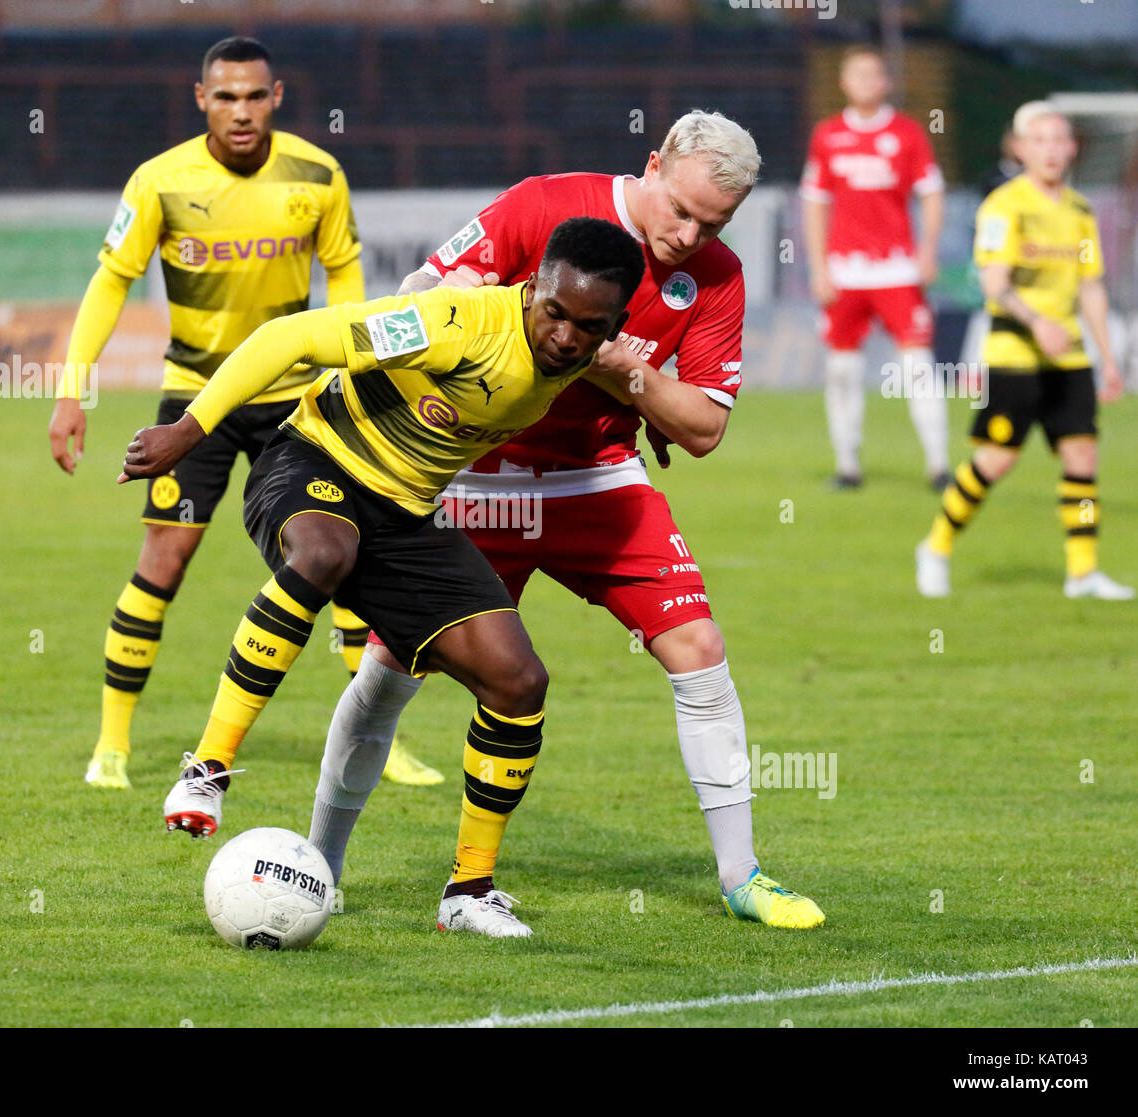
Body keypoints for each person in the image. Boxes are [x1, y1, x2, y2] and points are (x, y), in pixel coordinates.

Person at [307, 110, 825, 931]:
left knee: (700, 648)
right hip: (478, 483)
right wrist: (447, 300)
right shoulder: (542, 206)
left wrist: (631, 373)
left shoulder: (718, 278)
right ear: (652, 164)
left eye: (714, 223)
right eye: (682, 210)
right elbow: (413, 296)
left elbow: (702, 429)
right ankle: (320, 868)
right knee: (390, 670)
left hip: (599, 485)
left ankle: (742, 875)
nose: (691, 235)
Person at [120, 217, 646, 938]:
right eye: (553, 312)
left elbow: (611, 390)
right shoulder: (454, 323)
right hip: (312, 463)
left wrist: (647, 424)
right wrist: (190, 429)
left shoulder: (582, 356)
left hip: (405, 519)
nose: (563, 336)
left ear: (611, 326)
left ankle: (468, 890)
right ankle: (205, 770)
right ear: (533, 288)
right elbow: (291, 339)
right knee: (324, 554)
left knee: (519, 680)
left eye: (588, 327)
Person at [47, 36, 443, 790]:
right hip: (195, 399)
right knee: (163, 560)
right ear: (201, 100)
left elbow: (347, 277)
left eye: (254, 96)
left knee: (345, 558)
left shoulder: (317, 175)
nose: (240, 111)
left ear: (278, 97)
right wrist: (73, 391)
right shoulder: (160, 181)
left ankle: (376, 744)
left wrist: (361, 376)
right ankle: (113, 744)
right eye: (225, 96)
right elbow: (110, 284)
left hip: (296, 398)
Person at [915, 102, 1132, 600]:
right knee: (997, 461)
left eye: (1060, 141)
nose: (1052, 151)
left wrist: (1109, 358)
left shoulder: (1079, 211)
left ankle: (1083, 571)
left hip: (1071, 358)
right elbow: (995, 283)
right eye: (1040, 141)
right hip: (1015, 353)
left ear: (1073, 148)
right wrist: (1039, 323)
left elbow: (1091, 287)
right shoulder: (1005, 205)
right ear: (1021, 148)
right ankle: (936, 545)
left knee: (1082, 458)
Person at [801, 45, 949, 490]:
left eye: (875, 74)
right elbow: (814, 205)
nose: (867, 82)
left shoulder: (906, 134)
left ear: (885, 82)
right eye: (858, 75)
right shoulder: (827, 135)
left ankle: (939, 467)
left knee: (919, 367)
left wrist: (927, 252)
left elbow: (932, 193)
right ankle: (848, 466)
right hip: (845, 272)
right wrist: (818, 267)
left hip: (897, 270)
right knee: (842, 370)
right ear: (845, 83)